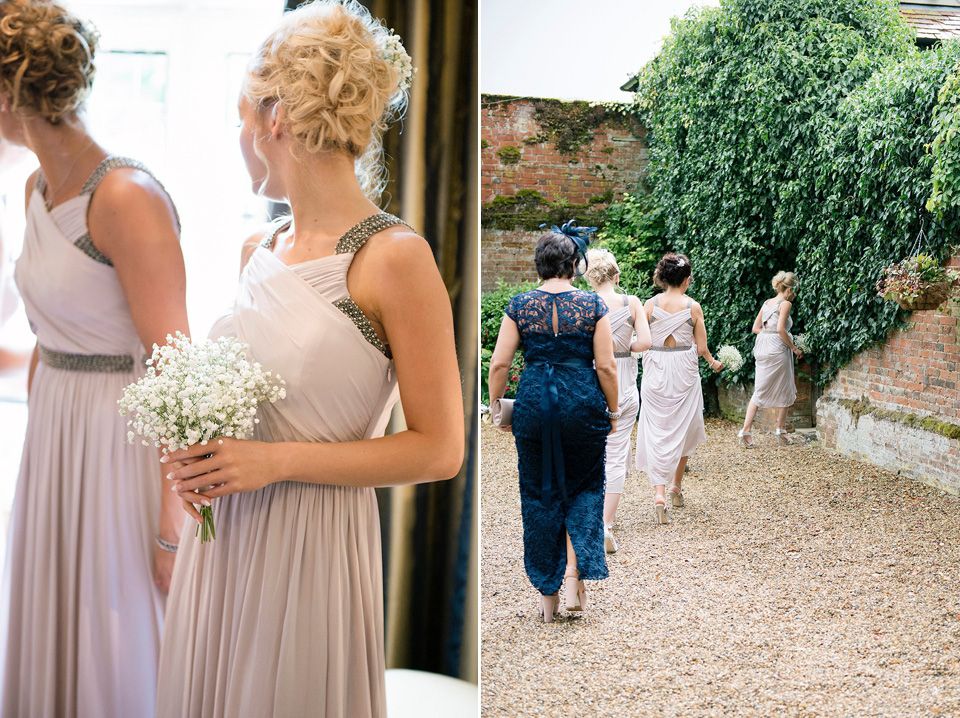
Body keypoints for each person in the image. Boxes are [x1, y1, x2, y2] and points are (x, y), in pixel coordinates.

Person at [156, 3, 463, 716]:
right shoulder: (254, 250)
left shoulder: (394, 259)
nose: (239, 139)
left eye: (241, 119)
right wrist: (196, 453)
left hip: (313, 550)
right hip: (223, 542)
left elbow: (441, 449)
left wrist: (275, 461)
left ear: (275, 120)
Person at [0, 2, 190, 715]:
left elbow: (176, 363)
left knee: (112, 636)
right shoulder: (34, 188)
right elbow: (55, 335)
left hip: (119, 444)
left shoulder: (125, 197)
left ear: (12, 92)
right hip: (52, 436)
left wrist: (172, 527)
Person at [488, 222, 619, 623]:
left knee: (539, 494)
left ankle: (548, 600)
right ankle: (577, 575)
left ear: (539, 265)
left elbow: (499, 363)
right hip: (582, 405)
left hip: (534, 407)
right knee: (584, 488)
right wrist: (612, 412)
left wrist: (497, 406)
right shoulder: (594, 306)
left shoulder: (520, 305)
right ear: (575, 264)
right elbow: (607, 367)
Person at [635, 253, 722, 524]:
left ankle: (659, 494)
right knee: (685, 427)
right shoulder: (693, 307)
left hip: (656, 370)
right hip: (683, 371)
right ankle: (676, 487)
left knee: (656, 429)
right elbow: (702, 348)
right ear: (686, 280)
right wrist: (713, 362)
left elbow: (640, 340)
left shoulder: (649, 305)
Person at [583, 247, 651, 553]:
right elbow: (646, 342)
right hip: (624, 384)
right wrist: (627, 346)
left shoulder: (584, 303)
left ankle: (588, 517)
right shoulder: (632, 302)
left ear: (590, 278)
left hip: (594, 380)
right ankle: (606, 525)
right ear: (617, 275)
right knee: (617, 451)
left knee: (591, 452)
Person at [739, 271, 802, 447]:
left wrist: (768, 335)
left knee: (760, 389)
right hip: (777, 349)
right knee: (785, 387)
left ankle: (746, 430)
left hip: (763, 346)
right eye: (794, 289)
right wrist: (794, 348)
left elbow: (756, 328)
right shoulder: (785, 304)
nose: (795, 293)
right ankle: (780, 430)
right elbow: (781, 329)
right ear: (788, 289)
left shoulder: (767, 303)